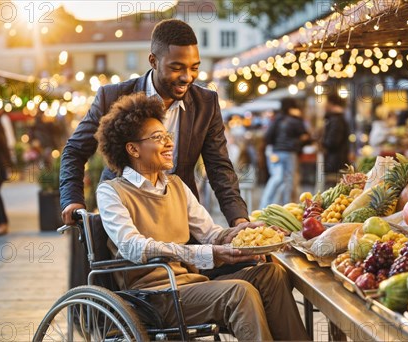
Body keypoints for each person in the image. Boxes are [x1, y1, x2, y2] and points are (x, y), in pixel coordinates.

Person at [95, 93, 309, 341]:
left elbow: (212, 235)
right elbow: (132, 247)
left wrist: (246, 232)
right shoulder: (112, 191)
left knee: (272, 274)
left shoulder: (175, 185)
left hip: (190, 284)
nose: (168, 143)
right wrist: (205, 254)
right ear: (132, 149)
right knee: (239, 292)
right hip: (154, 297)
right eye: (158, 138)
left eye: (167, 136)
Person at [60, 19, 249, 287]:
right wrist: (72, 200)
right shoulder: (111, 96)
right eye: (176, 68)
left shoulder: (207, 103)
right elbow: (75, 150)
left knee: (259, 266)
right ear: (153, 60)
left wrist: (238, 221)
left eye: (194, 67)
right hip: (130, 214)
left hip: (180, 218)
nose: (187, 77)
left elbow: (219, 167)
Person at [259, 98, 310, 208]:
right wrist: (297, 142)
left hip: (276, 153)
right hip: (290, 154)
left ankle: (265, 205)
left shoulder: (276, 119)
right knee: (289, 181)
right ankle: (288, 206)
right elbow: (306, 137)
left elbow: (267, 137)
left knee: (276, 178)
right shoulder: (296, 120)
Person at [322, 94, 349, 174]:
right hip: (337, 159)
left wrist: (323, 143)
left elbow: (333, 141)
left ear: (331, 103)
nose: (324, 105)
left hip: (335, 160)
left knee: (334, 183)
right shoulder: (337, 118)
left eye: (326, 102)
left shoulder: (336, 120)